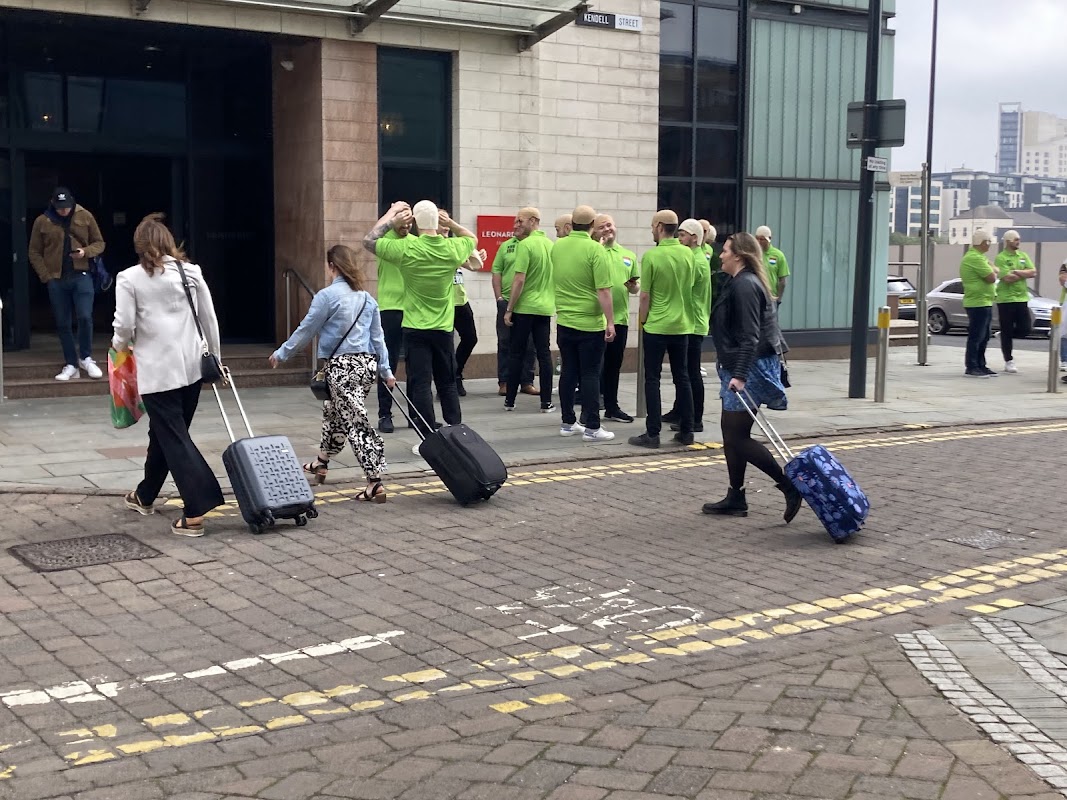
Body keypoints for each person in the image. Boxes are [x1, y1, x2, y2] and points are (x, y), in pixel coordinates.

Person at [113, 214, 224, 537]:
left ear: (139, 245)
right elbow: (209, 319)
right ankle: (145, 495)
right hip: (192, 368)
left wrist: (118, 346)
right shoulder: (190, 272)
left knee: (173, 437)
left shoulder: (129, 278)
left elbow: (124, 326)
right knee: (166, 434)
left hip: (157, 372)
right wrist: (214, 359)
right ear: (168, 243)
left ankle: (195, 512)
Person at [270, 245, 395, 503]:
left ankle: (375, 482)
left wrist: (282, 353)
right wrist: (386, 370)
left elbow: (306, 329)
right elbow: (377, 339)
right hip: (365, 366)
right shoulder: (367, 298)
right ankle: (322, 462)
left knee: (356, 422)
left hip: (341, 367)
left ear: (332, 267)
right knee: (335, 412)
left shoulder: (327, 297)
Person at [364, 201, 481, 449]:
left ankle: (428, 438)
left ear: (415, 221)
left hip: (416, 327)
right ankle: (456, 429)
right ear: (439, 223)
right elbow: (472, 238)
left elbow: (369, 241)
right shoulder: (452, 248)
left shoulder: (408, 248)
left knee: (420, 384)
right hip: (443, 328)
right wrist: (451, 224)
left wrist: (391, 221)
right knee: (447, 381)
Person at [702, 232, 801, 521]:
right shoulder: (742, 281)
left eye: (726, 251)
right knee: (731, 432)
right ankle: (736, 496)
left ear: (739, 255)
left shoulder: (745, 285)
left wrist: (740, 375)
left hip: (750, 367)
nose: (720, 254)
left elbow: (750, 336)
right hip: (743, 365)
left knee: (736, 435)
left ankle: (789, 486)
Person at [628, 210, 695, 449]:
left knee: (652, 379)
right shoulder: (688, 253)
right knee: (682, 377)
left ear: (658, 226)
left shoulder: (652, 256)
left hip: (657, 324)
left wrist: (643, 321)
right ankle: (687, 430)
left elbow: (644, 295)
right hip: (682, 324)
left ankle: (653, 433)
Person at [29, 187, 107, 381]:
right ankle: (71, 362)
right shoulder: (42, 221)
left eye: (66, 207)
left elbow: (100, 243)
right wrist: (45, 275)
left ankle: (86, 357)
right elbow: (34, 251)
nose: (63, 211)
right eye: (59, 207)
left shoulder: (85, 215)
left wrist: (85, 252)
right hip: (56, 278)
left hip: (81, 274)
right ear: (52, 204)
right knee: (63, 322)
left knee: (85, 316)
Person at [553, 205, 617, 442]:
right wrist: (610, 321)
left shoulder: (558, 247)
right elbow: (603, 290)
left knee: (568, 371)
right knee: (590, 374)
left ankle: (568, 422)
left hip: (565, 320)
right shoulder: (595, 250)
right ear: (592, 225)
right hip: (590, 322)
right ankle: (592, 427)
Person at [504, 207, 555, 413]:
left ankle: (510, 400)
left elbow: (519, 279)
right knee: (543, 353)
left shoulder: (525, 245)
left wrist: (509, 308)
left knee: (516, 352)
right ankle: (546, 402)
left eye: (520, 221)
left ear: (533, 221)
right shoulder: (551, 245)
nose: (516, 225)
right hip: (544, 308)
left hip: (525, 308)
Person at [595, 213, 639, 423]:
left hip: (620, 319)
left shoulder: (628, 254)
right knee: (595, 366)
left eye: (610, 225)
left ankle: (612, 406)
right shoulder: (595, 252)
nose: (607, 229)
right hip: (597, 319)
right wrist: (599, 246)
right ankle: (592, 407)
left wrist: (634, 287)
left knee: (614, 365)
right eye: (602, 226)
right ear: (594, 230)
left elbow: (636, 287)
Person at [374, 203, 411, 433]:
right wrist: (392, 213)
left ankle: (417, 415)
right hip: (390, 309)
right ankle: (384, 415)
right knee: (388, 364)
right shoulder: (384, 239)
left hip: (413, 310)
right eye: (403, 221)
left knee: (417, 366)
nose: (407, 225)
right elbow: (373, 232)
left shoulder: (414, 242)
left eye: (410, 221)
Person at [491, 233, 537, 398]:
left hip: (528, 303)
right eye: (515, 222)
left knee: (530, 344)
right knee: (505, 342)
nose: (516, 225)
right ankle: (504, 381)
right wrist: (499, 298)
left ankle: (527, 382)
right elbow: (496, 271)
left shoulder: (535, 245)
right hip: (506, 301)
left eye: (520, 222)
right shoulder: (506, 246)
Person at [676, 219, 710, 434]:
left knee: (691, 373)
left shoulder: (696, 262)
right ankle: (684, 413)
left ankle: (695, 418)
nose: (679, 239)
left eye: (682, 235)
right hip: (695, 320)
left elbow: (682, 288)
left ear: (694, 238)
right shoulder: (695, 258)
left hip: (694, 322)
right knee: (688, 372)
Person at [993, 230, 1036, 374]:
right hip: (1005, 299)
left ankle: (1004, 335)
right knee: (1007, 328)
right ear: (1008, 241)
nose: (1018, 242)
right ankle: (1008, 360)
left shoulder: (1023, 256)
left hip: (1022, 298)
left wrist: (1016, 271)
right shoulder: (1001, 258)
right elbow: (1007, 278)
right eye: (1016, 239)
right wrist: (1023, 273)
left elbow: (1033, 272)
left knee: (1026, 328)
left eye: (1019, 239)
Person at [960, 230, 997, 378]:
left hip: (985, 300)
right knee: (977, 335)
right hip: (977, 302)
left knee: (985, 335)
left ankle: (981, 364)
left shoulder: (980, 257)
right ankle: (972, 366)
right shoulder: (974, 258)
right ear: (983, 242)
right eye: (988, 241)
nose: (990, 244)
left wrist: (993, 268)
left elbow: (994, 270)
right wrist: (994, 270)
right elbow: (991, 277)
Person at [755, 225, 789, 304]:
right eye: (757, 238)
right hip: (755, 294)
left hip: (770, 297)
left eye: (762, 239)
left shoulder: (778, 255)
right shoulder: (753, 253)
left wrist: (778, 299)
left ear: (769, 239)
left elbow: (782, 281)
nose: (759, 242)